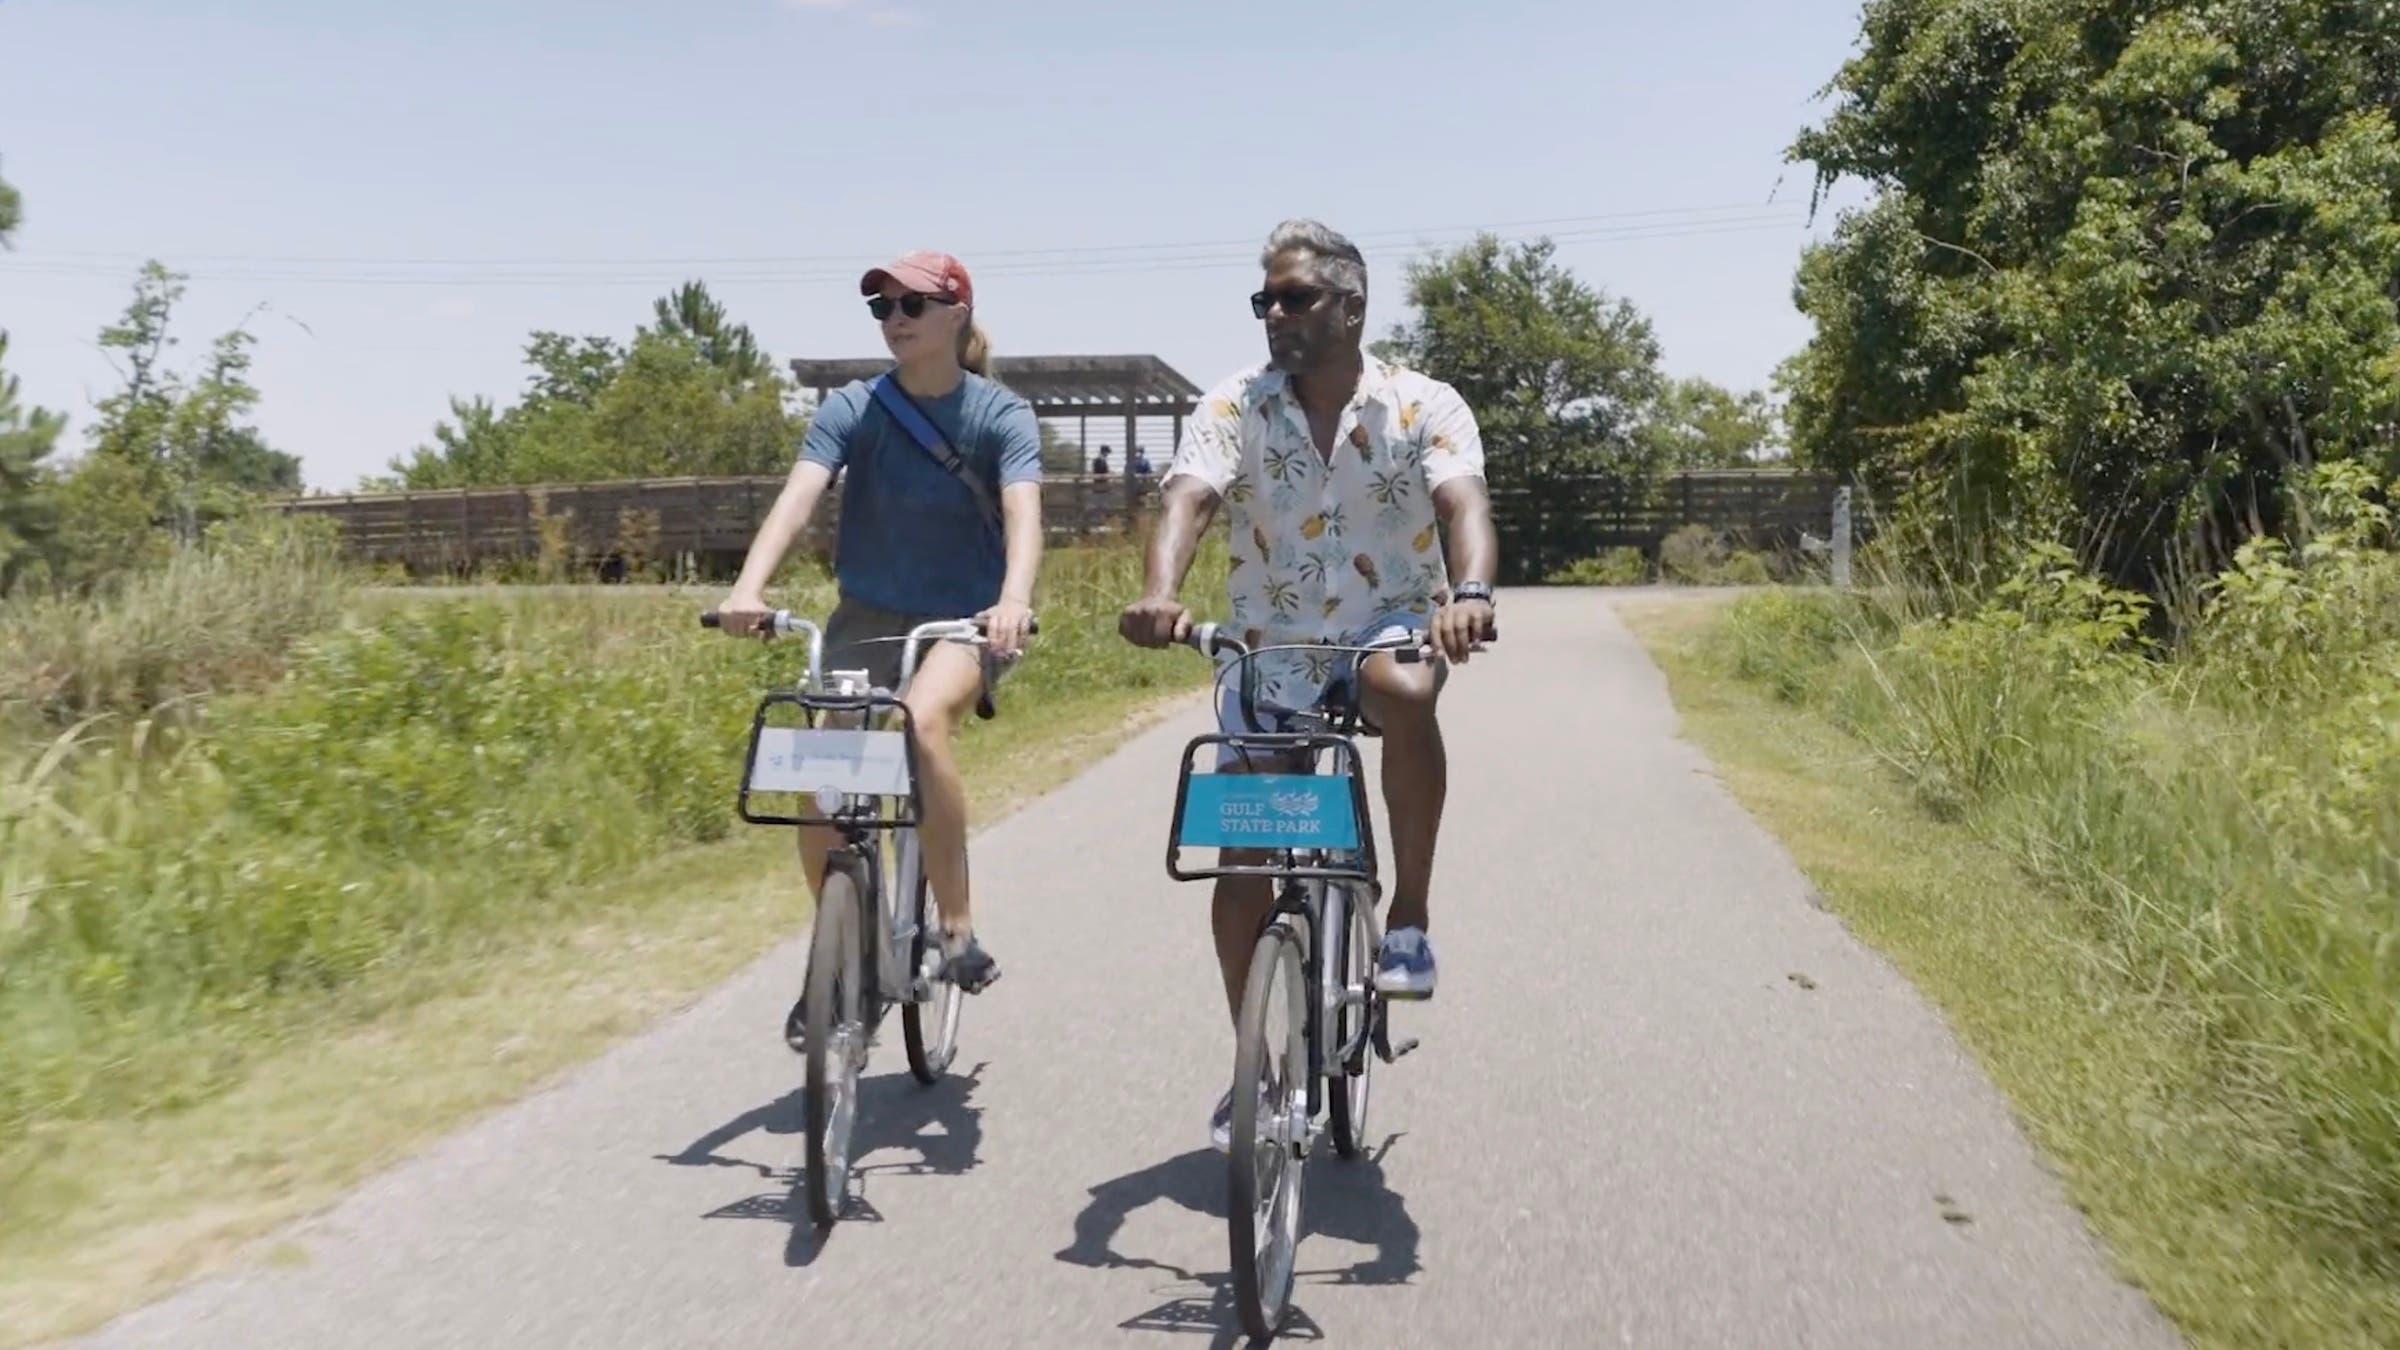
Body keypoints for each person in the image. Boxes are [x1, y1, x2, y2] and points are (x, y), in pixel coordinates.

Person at [1117, 219, 1499, 1151]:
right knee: (1244, 864)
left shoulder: (1424, 404)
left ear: (1352, 307)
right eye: (1266, 301)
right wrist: (1161, 592)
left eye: (1297, 298)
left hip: (1389, 624)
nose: (1276, 314)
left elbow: (1464, 502)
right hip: (1270, 648)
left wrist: (1471, 594)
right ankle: (1256, 1065)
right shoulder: (1234, 403)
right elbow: (1188, 497)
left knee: (1404, 690)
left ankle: (1407, 917)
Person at [714, 248, 1043, 1011]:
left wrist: (1012, 598)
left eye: (912, 305)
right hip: (863, 618)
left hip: (963, 621)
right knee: (823, 772)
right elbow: (798, 499)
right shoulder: (853, 408)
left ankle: (955, 929)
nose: (895, 319)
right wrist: (748, 587)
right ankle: (841, 951)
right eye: (882, 307)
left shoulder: (999, 415)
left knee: (921, 724)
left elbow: (1024, 511)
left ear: (956, 315)